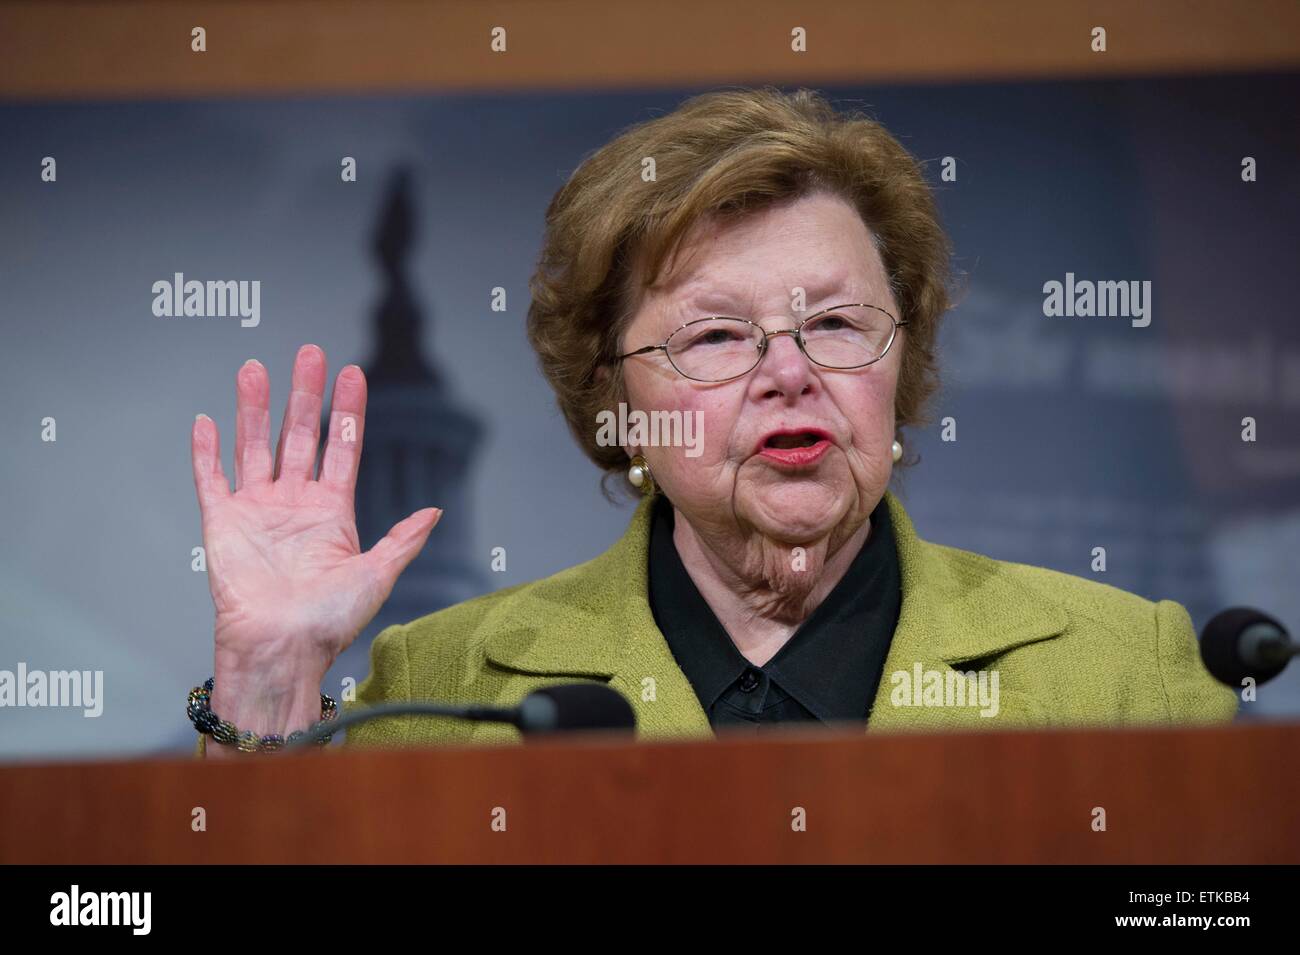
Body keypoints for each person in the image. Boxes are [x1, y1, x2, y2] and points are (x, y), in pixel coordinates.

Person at [190, 87, 1234, 757]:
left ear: (901, 357)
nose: (790, 372)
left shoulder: (1120, 671)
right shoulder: (442, 692)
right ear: (616, 401)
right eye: (717, 337)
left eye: (834, 321)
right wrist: (272, 679)